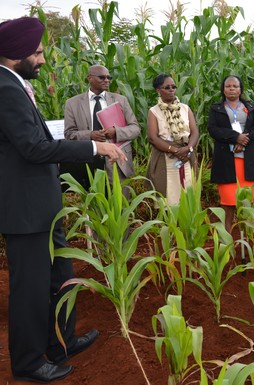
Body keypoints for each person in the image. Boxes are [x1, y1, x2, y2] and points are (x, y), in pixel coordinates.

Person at [0, 17, 126, 382]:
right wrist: (94, 145)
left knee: (60, 276)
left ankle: (62, 342)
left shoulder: (15, 84)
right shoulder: (5, 89)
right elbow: (32, 147)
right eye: (37, 53)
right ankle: (27, 361)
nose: (42, 60)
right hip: (25, 211)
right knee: (30, 288)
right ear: (18, 54)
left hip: (42, 206)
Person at [64, 64, 140, 193]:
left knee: (120, 202)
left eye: (109, 78)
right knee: (94, 204)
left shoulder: (120, 100)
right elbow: (69, 133)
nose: (107, 80)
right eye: (102, 77)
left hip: (116, 160)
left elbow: (135, 129)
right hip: (88, 159)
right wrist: (90, 135)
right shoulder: (73, 103)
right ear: (90, 78)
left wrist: (116, 131)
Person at [208, 75, 254, 232]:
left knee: (247, 204)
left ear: (241, 89)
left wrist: (243, 140)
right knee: (228, 202)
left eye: (235, 86)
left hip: (248, 161)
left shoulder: (250, 107)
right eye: (228, 86)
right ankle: (227, 239)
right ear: (223, 89)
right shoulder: (216, 108)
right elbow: (213, 129)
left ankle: (247, 240)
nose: (231, 89)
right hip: (227, 161)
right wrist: (235, 138)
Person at [146, 74, 199, 206]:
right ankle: (170, 224)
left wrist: (188, 148)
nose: (171, 90)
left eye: (174, 87)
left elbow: (194, 132)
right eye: (167, 87)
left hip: (186, 156)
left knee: (188, 191)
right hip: (166, 159)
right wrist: (175, 150)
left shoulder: (185, 108)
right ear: (158, 90)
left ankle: (187, 224)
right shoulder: (154, 111)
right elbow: (153, 138)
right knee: (168, 195)